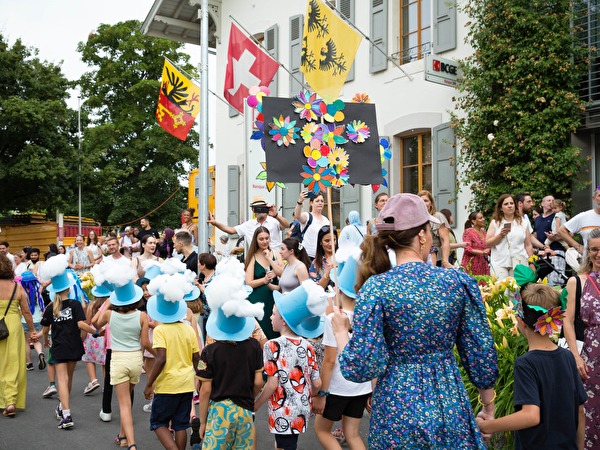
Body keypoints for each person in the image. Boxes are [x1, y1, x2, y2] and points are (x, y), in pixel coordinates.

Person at [332, 193, 498, 449]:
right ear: (422, 234)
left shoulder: (376, 288)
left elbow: (361, 366)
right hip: (448, 400)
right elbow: (480, 353)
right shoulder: (456, 282)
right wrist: (488, 406)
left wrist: (342, 332)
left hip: (395, 405)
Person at [477, 282, 587, 449]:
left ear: (521, 322)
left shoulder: (525, 363)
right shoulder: (568, 357)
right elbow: (580, 411)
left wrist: (486, 426)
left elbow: (530, 416)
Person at [197, 257, 265, 449]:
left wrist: (202, 421)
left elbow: (206, 390)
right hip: (244, 410)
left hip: (219, 411)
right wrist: (249, 397)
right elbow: (259, 382)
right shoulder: (253, 347)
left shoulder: (209, 351)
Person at [255, 281, 325, 450]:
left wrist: (256, 405)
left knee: (284, 445)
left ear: (284, 321)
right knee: (285, 444)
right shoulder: (308, 346)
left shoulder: (272, 346)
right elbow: (317, 383)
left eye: (273, 314)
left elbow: (272, 383)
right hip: (301, 408)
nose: (270, 317)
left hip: (281, 409)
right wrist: (308, 394)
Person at [313, 252, 372, 450]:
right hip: (361, 386)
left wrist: (321, 393)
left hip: (337, 387)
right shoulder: (367, 317)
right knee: (352, 434)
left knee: (322, 430)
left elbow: (329, 361)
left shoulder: (334, 319)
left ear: (338, 290)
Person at [35, 254, 97, 429]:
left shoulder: (49, 308)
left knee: (61, 380)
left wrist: (42, 338)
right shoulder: (76, 305)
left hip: (59, 346)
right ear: (69, 288)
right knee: (67, 379)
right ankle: (63, 408)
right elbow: (81, 324)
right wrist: (96, 331)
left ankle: (66, 414)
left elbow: (45, 328)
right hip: (74, 345)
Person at [94, 266, 152, 449]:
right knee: (127, 400)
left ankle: (132, 444)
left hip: (118, 360)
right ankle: (122, 436)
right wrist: (157, 354)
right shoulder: (142, 316)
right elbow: (145, 342)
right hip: (135, 360)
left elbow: (95, 323)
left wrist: (110, 303)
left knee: (124, 405)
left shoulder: (109, 314)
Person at [143, 272, 200, 450]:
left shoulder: (161, 331)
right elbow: (196, 356)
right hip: (186, 382)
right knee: (181, 424)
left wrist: (149, 383)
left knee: (158, 422)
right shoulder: (188, 329)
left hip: (167, 384)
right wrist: (198, 375)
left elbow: (161, 358)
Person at [563, 227, 600, 448]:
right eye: (594, 250)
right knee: (589, 411)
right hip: (590, 357)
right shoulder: (578, 281)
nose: (598, 254)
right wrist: (576, 356)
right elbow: (567, 321)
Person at [0, 254, 35, 418]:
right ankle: (11, 401)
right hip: (13, 326)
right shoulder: (17, 287)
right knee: (13, 363)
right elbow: (27, 312)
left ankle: (3, 399)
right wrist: (32, 331)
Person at [208, 197, 290, 250]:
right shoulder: (249, 224)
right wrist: (215, 223)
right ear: (253, 210)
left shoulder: (274, 220)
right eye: (257, 208)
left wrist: (275, 215)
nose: (260, 210)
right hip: (257, 257)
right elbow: (231, 230)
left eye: (262, 207)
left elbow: (286, 225)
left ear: (266, 208)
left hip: (274, 256)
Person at [245, 226, 282, 340]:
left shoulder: (276, 253)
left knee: (275, 329)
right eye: (261, 239)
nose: (265, 241)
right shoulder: (252, 256)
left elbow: (282, 272)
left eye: (267, 238)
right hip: (257, 300)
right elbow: (248, 282)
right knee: (261, 333)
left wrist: (271, 262)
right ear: (256, 240)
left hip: (273, 298)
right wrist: (264, 280)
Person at [486, 194, 534, 280]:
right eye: (506, 204)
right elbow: (487, 243)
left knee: (517, 291)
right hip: (499, 262)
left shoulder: (523, 223)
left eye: (511, 203)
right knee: (501, 290)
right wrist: (500, 235)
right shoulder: (495, 223)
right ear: (501, 208)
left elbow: (528, 245)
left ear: (515, 206)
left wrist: (531, 263)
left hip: (519, 262)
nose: (509, 206)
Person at [533, 195, 566, 286]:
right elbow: (534, 235)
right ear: (542, 203)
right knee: (541, 283)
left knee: (555, 281)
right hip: (541, 253)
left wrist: (554, 238)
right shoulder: (538, 219)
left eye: (553, 200)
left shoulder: (558, 216)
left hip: (555, 251)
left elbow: (569, 234)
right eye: (548, 200)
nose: (551, 202)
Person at [558, 187, 600, 255]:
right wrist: (578, 246)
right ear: (594, 199)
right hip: (589, 263)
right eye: (599, 195)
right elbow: (561, 230)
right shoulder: (584, 217)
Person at [418, 190, 452, 268]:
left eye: (426, 201)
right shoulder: (414, 218)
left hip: (436, 260)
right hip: (418, 259)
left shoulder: (437, 216)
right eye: (420, 201)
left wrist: (445, 260)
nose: (423, 203)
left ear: (431, 203)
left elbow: (445, 240)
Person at [294, 191, 330, 259]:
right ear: (311, 203)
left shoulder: (326, 220)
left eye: (322, 201)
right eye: (317, 201)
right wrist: (300, 201)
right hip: (307, 255)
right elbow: (297, 215)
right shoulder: (307, 216)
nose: (320, 203)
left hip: (322, 256)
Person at [309, 226, 338, 290]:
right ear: (320, 242)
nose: (331, 244)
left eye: (334, 240)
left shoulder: (342, 259)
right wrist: (328, 274)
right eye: (327, 241)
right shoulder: (315, 263)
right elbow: (315, 290)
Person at [462, 211, 490, 276]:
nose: (483, 219)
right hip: (471, 263)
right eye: (480, 218)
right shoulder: (468, 232)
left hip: (483, 264)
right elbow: (467, 248)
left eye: (483, 217)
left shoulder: (484, 232)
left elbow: (487, 245)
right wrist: (482, 252)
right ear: (474, 221)